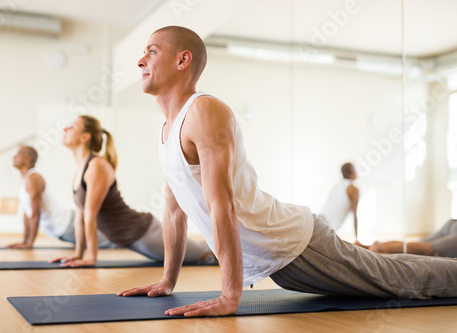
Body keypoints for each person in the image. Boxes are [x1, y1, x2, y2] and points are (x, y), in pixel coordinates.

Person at [118, 25, 457, 317]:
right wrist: (168, 280)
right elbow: (174, 213)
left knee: (401, 280)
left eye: (151, 51)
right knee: (395, 273)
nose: (140, 60)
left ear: (182, 60)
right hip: (281, 261)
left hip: (296, 244)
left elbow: (224, 206)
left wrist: (230, 296)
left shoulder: (203, 111)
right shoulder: (167, 129)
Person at [51, 115, 216, 267]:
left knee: (208, 254)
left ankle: (232, 248)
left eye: (72, 126)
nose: (65, 129)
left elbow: (90, 216)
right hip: (133, 239)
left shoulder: (96, 166)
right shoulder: (82, 169)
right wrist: (78, 254)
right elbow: (80, 216)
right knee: (201, 251)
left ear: (84, 137)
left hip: (145, 234)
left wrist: (91, 258)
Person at [8, 146, 113, 249]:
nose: (14, 156)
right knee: (108, 234)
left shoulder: (33, 178)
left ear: (28, 159)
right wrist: (25, 240)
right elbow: (28, 213)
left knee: (111, 241)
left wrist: (30, 243)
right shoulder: (25, 180)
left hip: (68, 225)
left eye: (19, 154)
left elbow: (36, 214)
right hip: (65, 226)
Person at [356, 219, 457, 257]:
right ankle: (378, 247)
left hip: (452, 224)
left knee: (419, 245)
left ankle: (370, 246)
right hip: (452, 227)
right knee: (426, 249)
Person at [320, 162, 360, 239]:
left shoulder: (337, 186)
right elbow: (355, 216)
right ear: (352, 171)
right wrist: (357, 238)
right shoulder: (353, 189)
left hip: (319, 219)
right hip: (328, 226)